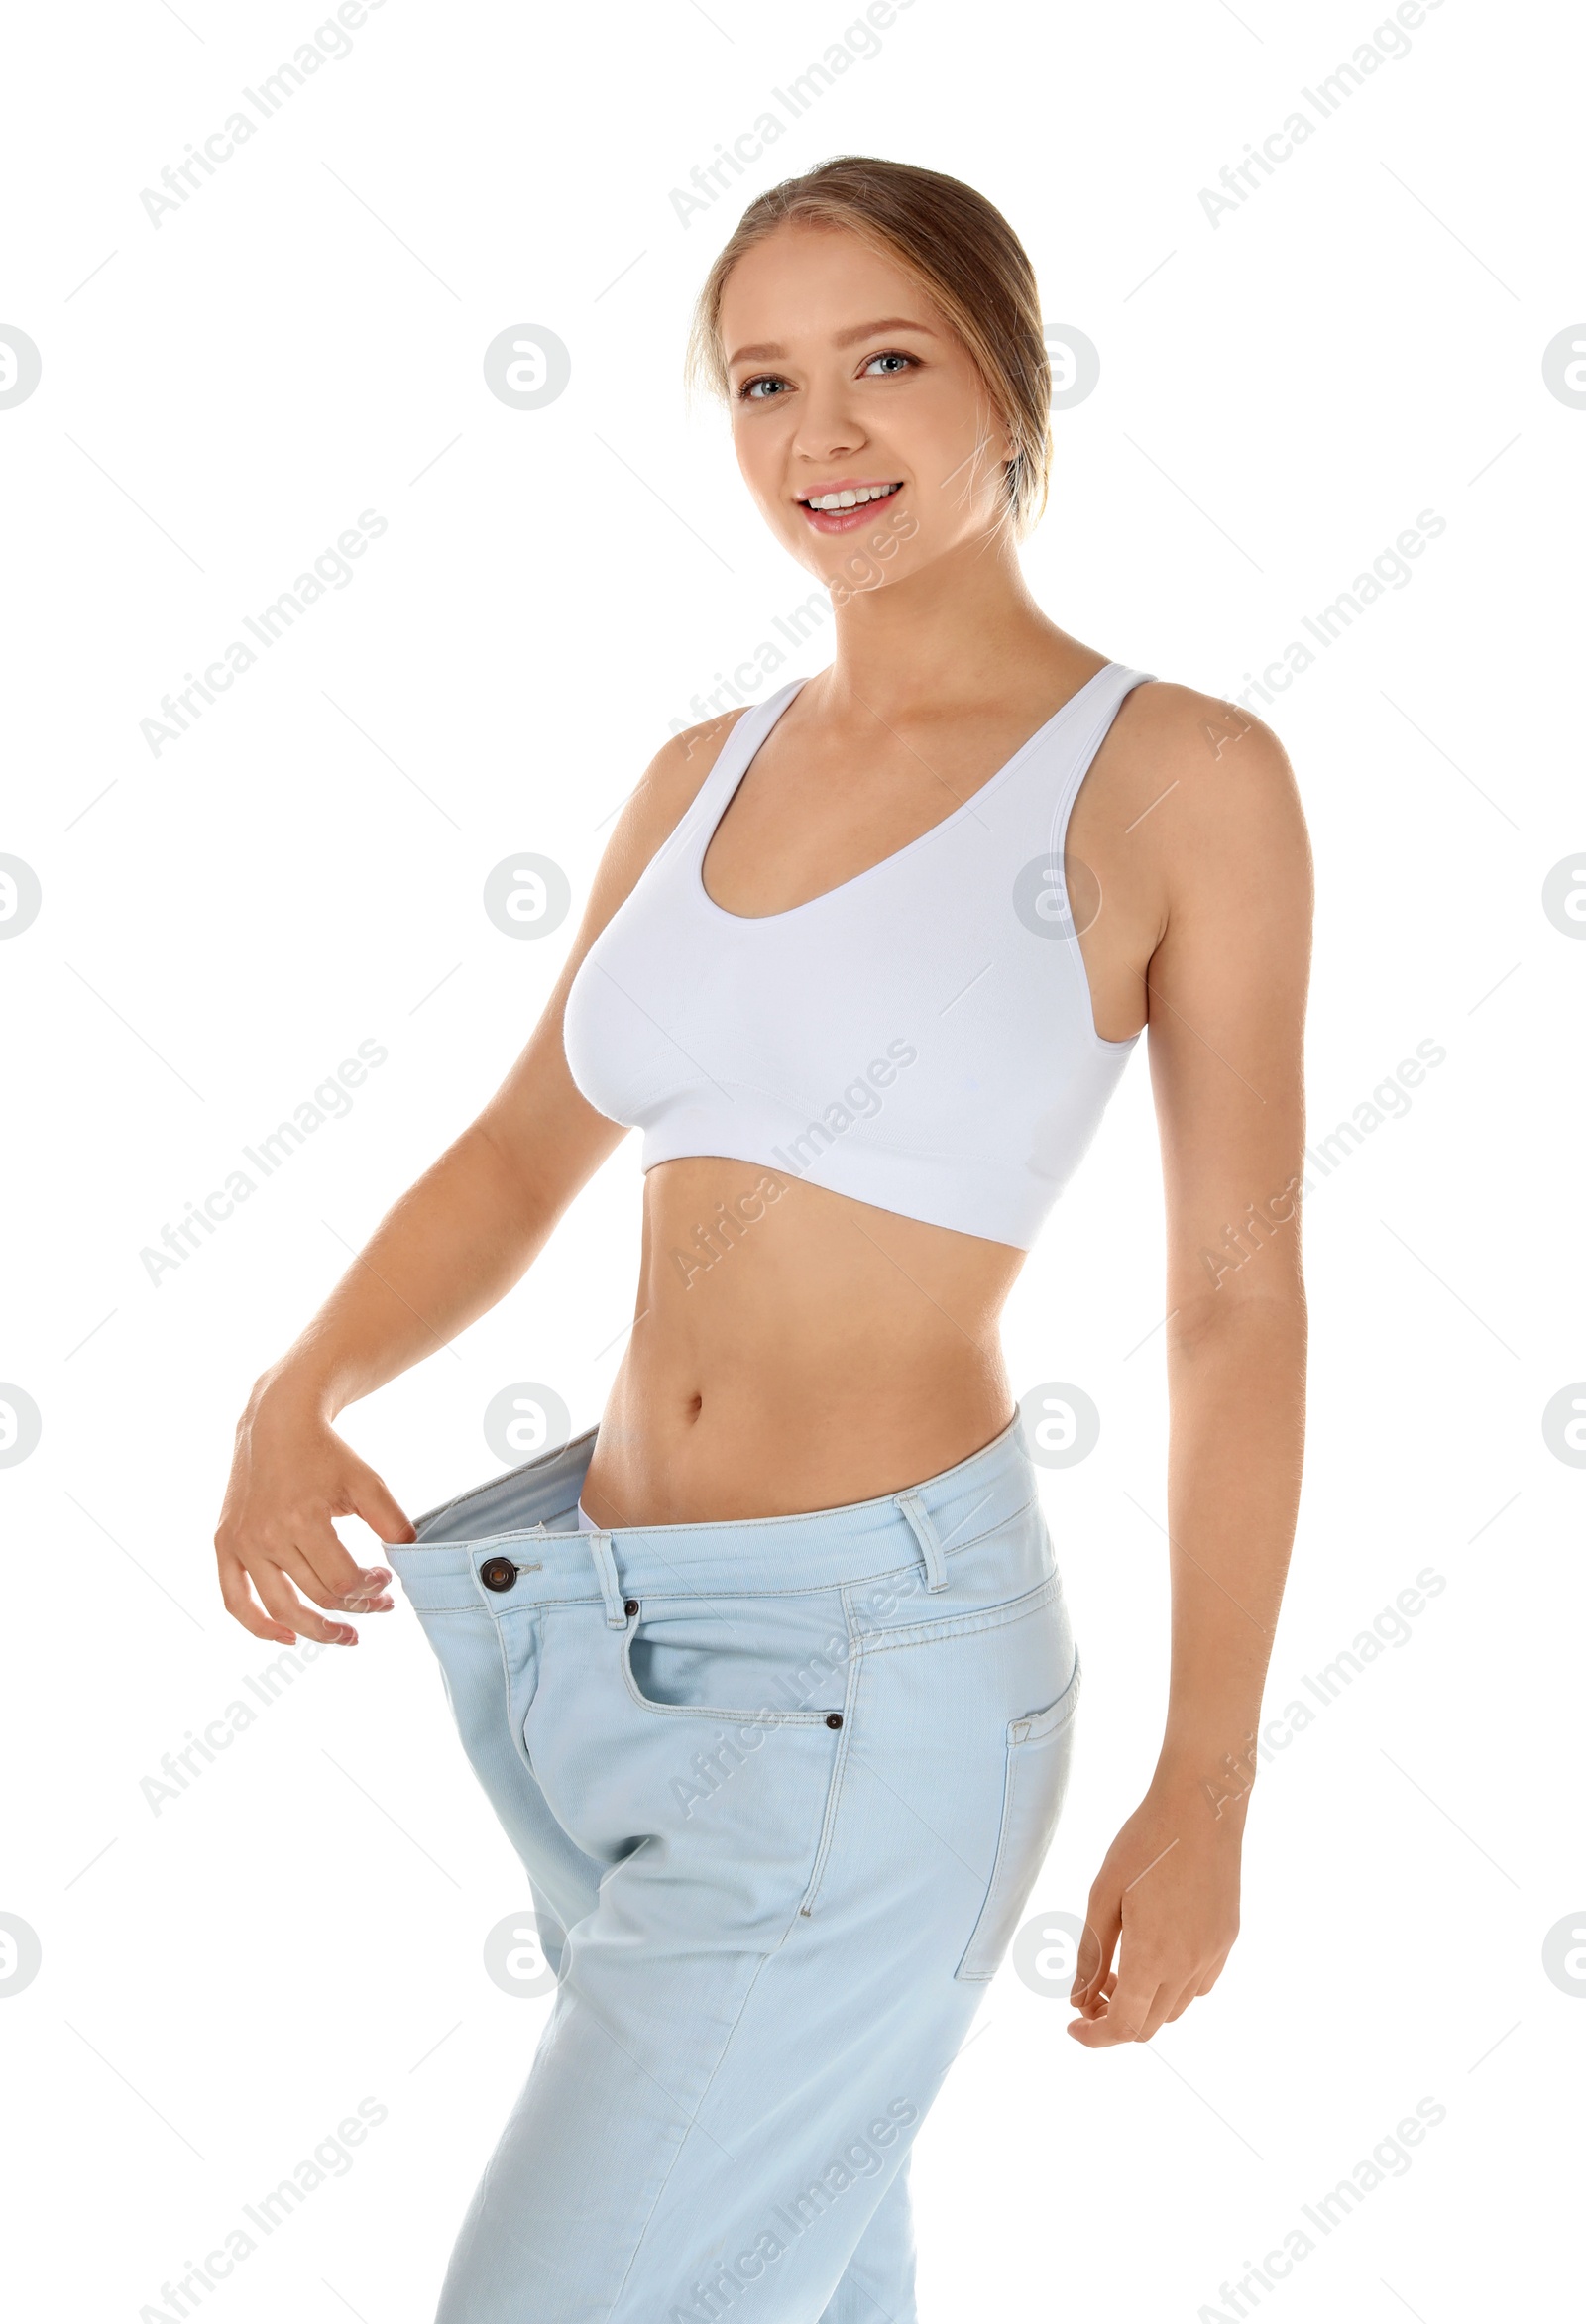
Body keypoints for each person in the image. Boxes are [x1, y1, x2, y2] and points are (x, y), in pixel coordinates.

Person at [215, 156, 1311, 2324]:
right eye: (761, 382)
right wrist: (295, 1384)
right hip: (581, 1645)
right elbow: (524, 1150)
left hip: (864, 1678)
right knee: (774, 2281)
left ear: (1010, 380)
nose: (820, 433)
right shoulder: (698, 772)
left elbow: (1230, 1304)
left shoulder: (1172, 776)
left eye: (884, 361)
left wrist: (1206, 1782)